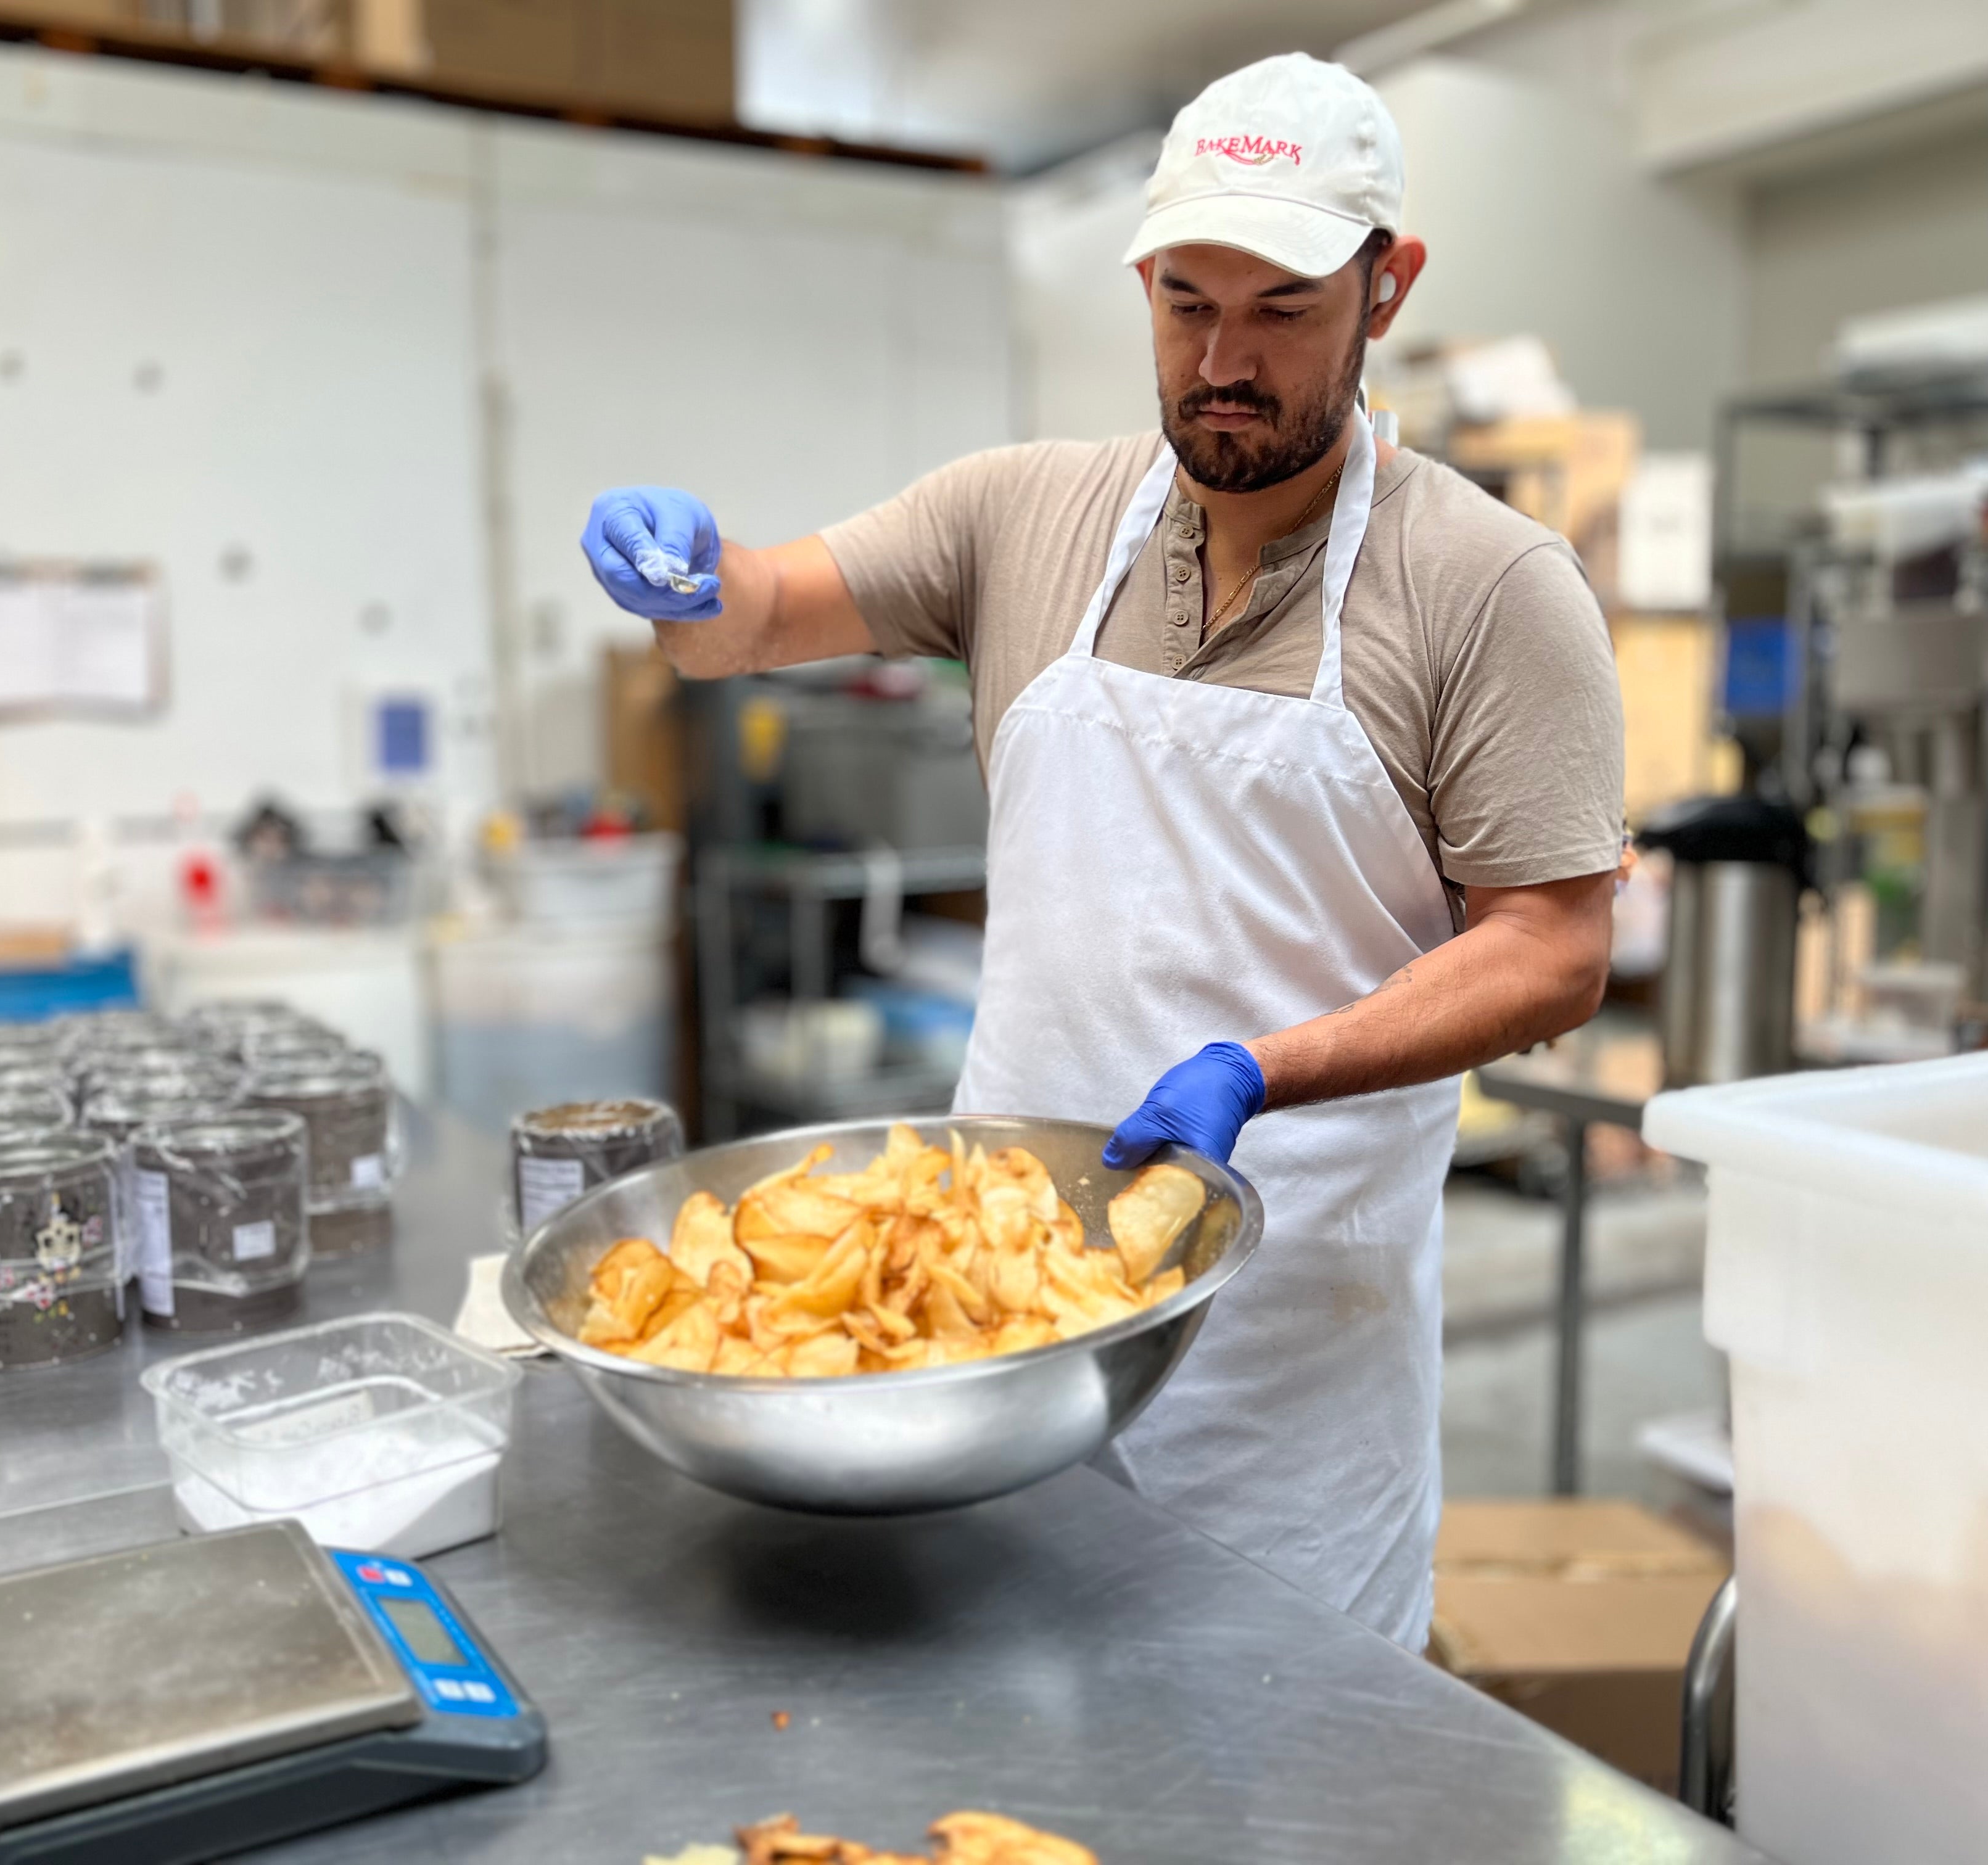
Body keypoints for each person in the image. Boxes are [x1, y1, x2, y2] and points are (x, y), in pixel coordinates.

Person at [577, 52, 1622, 1649]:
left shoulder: (1491, 588)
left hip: (1289, 1380)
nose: (1223, 361)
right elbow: (759, 618)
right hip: (991, 1341)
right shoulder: (1026, 519)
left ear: (1386, 289)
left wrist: (1260, 1072)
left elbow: (1553, 946)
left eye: (1280, 308)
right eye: (1186, 302)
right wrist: (685, 575)